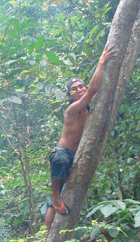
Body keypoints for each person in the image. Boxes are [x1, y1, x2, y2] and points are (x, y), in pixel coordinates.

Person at [44, 45, 117, 231]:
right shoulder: (73, 109)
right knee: (57, 190)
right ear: (69, 95)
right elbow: (93, 89)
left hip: (77, 157)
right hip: (63, 154)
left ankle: (49, 228)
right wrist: (101, 62)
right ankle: (50, 209)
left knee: (64, 198)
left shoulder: (90, 110)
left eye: (81, 86)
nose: (80, 90)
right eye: (75, 89)